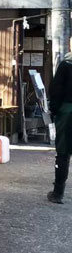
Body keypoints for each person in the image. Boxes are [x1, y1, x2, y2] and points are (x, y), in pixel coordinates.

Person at [47, 52, 72, 204]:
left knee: (63, 152)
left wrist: (54, 110)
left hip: (67, 113)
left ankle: (58, 193)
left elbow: (55, 89)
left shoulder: (66, 65)